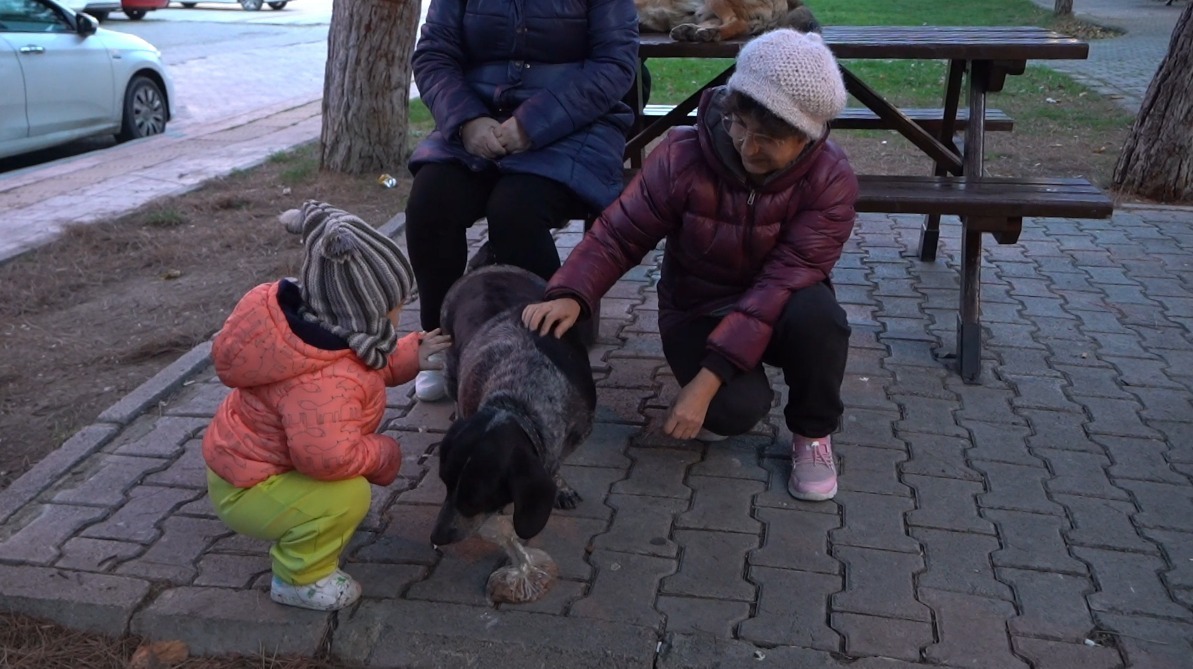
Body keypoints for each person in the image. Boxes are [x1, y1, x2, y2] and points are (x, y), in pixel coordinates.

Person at [522, 29, 858, 502]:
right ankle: (732, 391)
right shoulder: (682, 154)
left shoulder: (831, 179)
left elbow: (780, 284)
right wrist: (572, 291)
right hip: (698, 304)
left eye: (769, 139)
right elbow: (621, 232)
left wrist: (705, 381)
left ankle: (813, 434)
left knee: (820, 319)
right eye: (740, 123)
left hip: (778, 301)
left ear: (806, 137)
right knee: (734, 412)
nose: (747, 146)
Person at [201, 200, 452, 611]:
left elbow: (365, 364)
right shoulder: (324, 383)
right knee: (348, 495)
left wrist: (412, 353)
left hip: (245, 465)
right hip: (250, 488)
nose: (399, 315)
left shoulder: (321, 328)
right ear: (368, 312)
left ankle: (309, 522)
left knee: (341, 483)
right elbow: (328, 456)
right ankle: (300, 578)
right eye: (395, 308)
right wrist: (383, 455)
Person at [403, 0, 640, 402]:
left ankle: (554, 351)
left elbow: (615, 64)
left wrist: (532, 124)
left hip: (574, 126)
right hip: (477, 123)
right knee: (430, 202)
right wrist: (466, 121)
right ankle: (441, 344)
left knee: (515, 210)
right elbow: (434, 54)